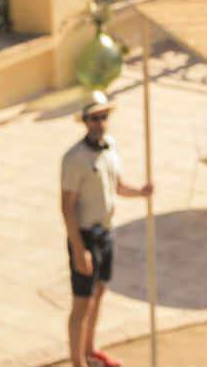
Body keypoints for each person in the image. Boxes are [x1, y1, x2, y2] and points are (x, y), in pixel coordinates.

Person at [60, 90, 153, 367]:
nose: (100, 123)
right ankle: (77, 362)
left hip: (106, 234)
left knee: (99, 295)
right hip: (86, 236)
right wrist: (78, 249)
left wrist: (141, 192)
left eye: (103, 117)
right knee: (82, 303)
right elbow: (67, 207)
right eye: (94, 118)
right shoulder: (74, 159)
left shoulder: (110, 147)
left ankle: (90, 350)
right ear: (85, 121)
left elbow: (118, 186)